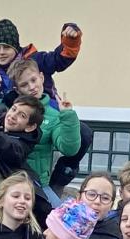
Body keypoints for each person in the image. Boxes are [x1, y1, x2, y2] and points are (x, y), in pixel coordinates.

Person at [9, 59, 82, 199]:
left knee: (58, 212)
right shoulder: (9, 111)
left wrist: (68, 115)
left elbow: (69, 149)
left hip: (38, 186)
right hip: (8, 181)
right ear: (17, 90)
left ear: (42, 77)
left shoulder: (54, 116)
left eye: (33, 80)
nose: (32, 87)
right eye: (24, 85)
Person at [0, 18, 81, 104]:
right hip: (16, 117)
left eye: (6, 47)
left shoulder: (36, 60)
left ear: (16, 48)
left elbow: (59, 60)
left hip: (49, 112)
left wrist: (70, 41)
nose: (1, 52)